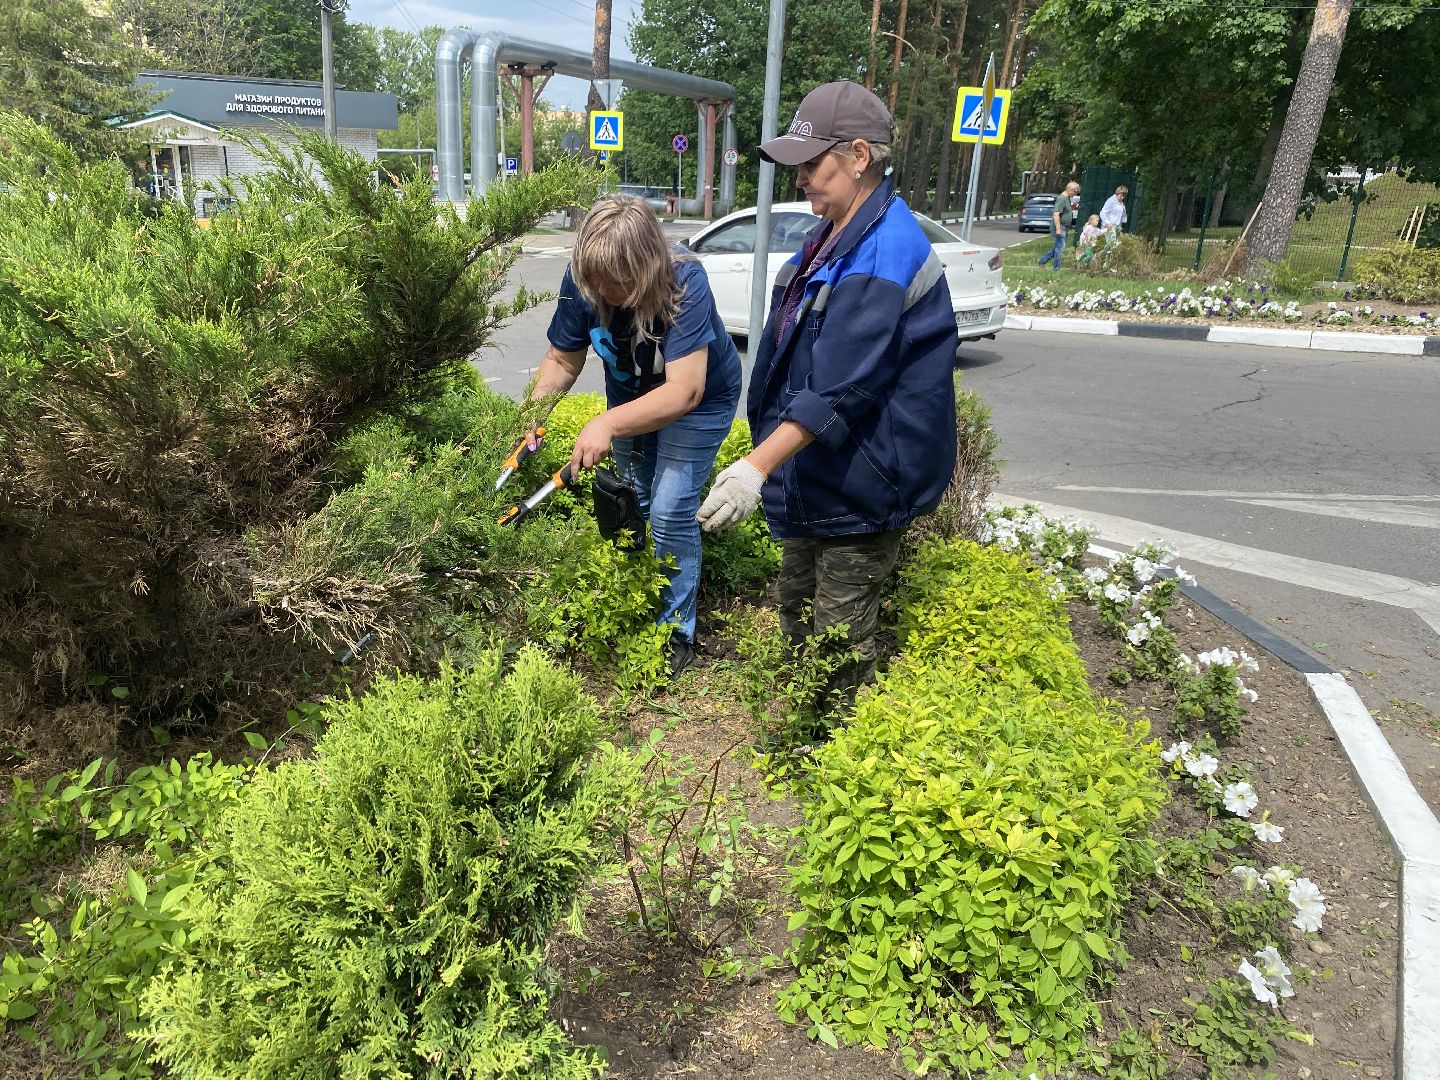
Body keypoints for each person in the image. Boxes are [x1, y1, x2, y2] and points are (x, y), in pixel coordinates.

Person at [696, 80, 958, 716]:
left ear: (859, 156)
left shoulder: (887, 247)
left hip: (865, 477)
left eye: (812, 164)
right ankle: (799, 731)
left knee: (839, 639)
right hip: (821, 471)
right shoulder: (831, 235)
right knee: (796, 609)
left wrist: (756, 467)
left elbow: (842, 387)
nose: (802, 180)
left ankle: (831, 751)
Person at [527, 195, 742, 679]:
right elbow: (563, 360)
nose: (604, 290)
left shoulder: (685, 280)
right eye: (595, 279)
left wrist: (606, 423)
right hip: (632, 398)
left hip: (700, 399)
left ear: (646, 265)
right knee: (634, 499)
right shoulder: (585, 282)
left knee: (669, 509)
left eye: (618, 279)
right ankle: (637, 597)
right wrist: (531, 418)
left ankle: (674, 633)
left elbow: (684, 392)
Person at [1038, 180, 1080, 270]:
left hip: (1064, 228)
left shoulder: (1067, 198)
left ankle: (1042, 260)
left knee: (1058, 247)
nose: (1076, 194)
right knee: (1060, 249)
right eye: (1075, 191)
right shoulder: (1062, 199)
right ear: (1070, 189)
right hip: (1060, 227)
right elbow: (1056, 214)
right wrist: (1058, 229)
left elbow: (1064, 210)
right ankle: (1056, 268)